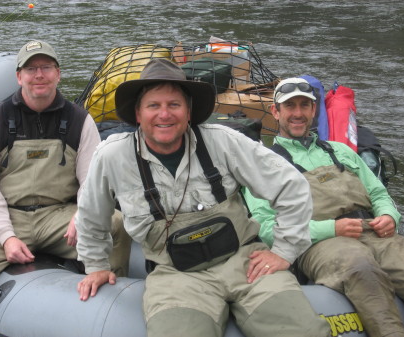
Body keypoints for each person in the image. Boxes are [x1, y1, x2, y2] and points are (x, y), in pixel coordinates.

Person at [75, 59, 330, 337]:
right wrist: (96, 266)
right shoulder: (111, 155)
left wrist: (284, 250)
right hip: (176, 277)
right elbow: (91, 215)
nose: (164, 114)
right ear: (138, 113)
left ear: (188, 112)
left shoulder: (223, 141)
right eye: (153, 106)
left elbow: (291, 186)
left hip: (247, 264)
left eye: (174, 105)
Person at [0, 40, 131, 333]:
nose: (40, 75)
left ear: (58, 74)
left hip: (60, 217)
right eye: (31, 68)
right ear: (19, 76)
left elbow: (93, 180)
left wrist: (83, 215)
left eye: (46, 67)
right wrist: (7, 238)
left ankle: (111, 300)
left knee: (116, 224)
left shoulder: (80, 120)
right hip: (8, 217)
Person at [243, 77, 404, 337]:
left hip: (373, 231)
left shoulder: (341, 150)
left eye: (304, 106)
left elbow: (378, 193)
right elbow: (265, 228)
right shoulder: (261, 165)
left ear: (314, 111)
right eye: (290, 106)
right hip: (319, 243)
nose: (298, 113)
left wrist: (389, 215)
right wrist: (331, 228)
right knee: (360, 268)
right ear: (275, 112)